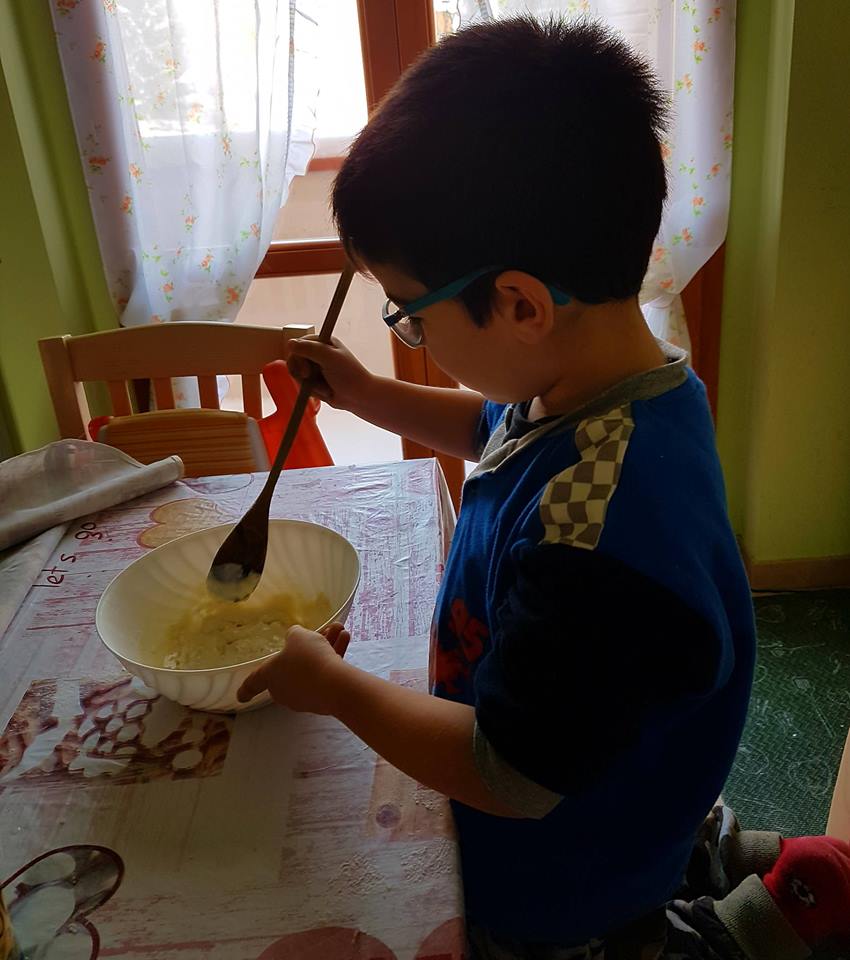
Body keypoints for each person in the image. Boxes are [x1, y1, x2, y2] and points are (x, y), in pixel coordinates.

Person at [236, 17, 850, 958]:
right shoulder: (607, 386)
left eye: (408, 312)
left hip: (561, 869)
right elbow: (491, 431)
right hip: (578, 720)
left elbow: (512, 775)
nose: (408, 336)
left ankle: (733, 926)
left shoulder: (598, 536)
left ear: (520, 303)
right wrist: (363, 391)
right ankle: (714, 850)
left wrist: (337, 689)